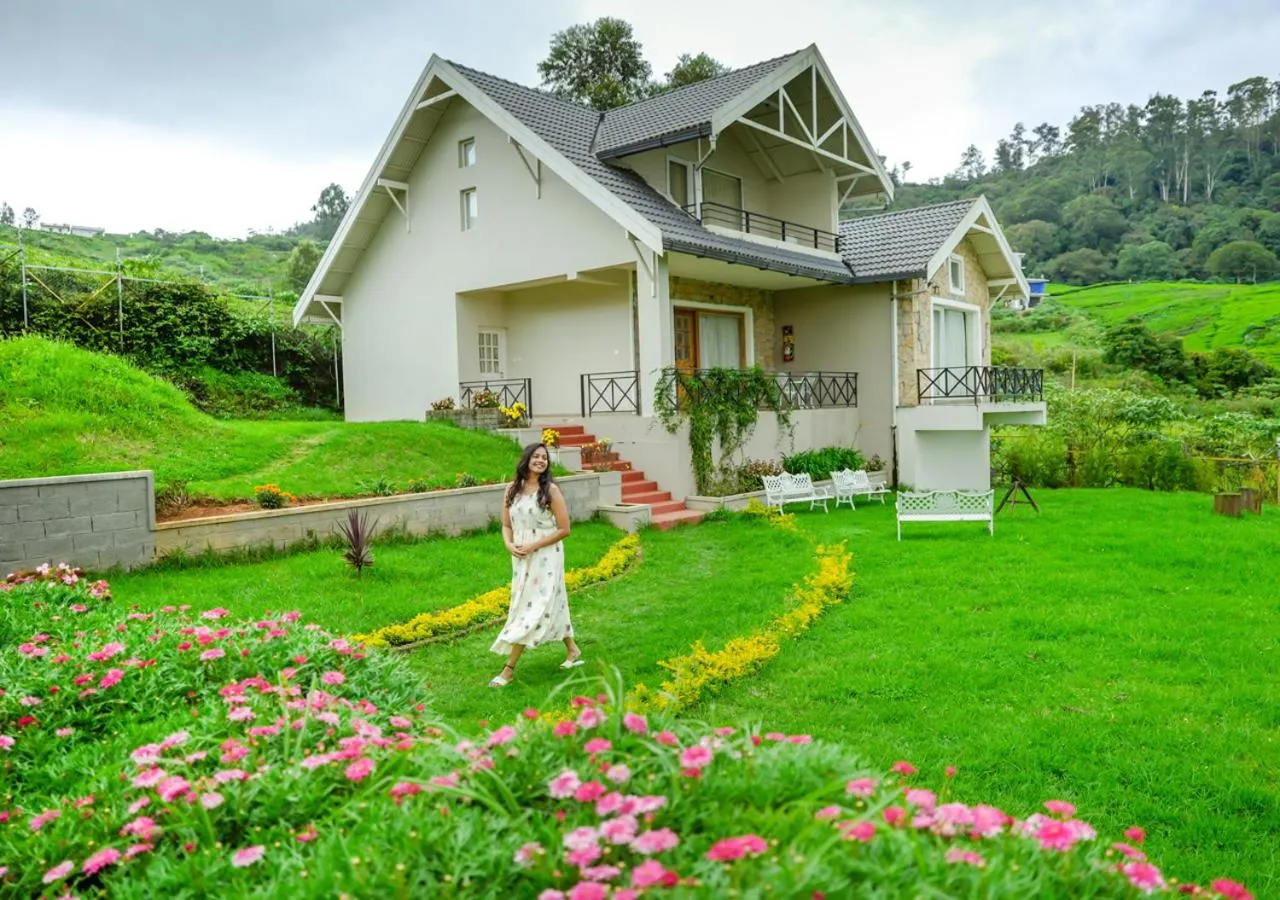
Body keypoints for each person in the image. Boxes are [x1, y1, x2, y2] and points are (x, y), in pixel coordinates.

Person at [489, 442, 582, 687]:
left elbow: (565, 529)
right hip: (520, 555)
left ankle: (508, 669)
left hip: (546, 554)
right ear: (527, 459)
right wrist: (509, 545)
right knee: (550, 601)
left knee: (531, 607)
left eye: (544, 457)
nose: (541, 460)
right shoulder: (512, 489)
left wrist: (533, 546)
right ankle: (573, 650)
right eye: (536, 456)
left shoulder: (550, 490)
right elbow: (506, 525)